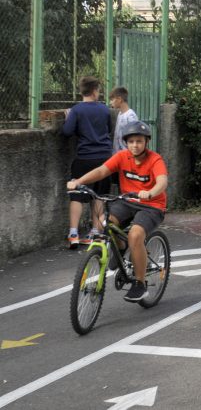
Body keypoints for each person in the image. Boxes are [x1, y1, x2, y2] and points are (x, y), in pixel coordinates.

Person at [66, 121, 168, 302]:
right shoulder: (122, 157)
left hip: (151, 205)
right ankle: (121, 252)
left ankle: (139, 283)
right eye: (131, 142)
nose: (135, 145)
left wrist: (151, 192)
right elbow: (101, 171)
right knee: (107, 223)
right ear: (126, 143)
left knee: (135, 235)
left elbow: (162, 181)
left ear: (146, 142)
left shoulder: (155, 159)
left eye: (139, 141)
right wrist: (78, 181)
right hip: (127, 201)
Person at [62, 76, 113, 249]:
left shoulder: (76, 110)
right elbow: (109, 130)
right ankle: (96, 232)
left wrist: (69, 118)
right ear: (94, 90)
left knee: (76, 193)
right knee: (99, 194)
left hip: (84, 157)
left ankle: (74, 233)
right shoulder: (105, 110)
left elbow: (67, 131)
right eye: (98, 90)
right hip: (104, 159)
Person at [109, 86, 138, 154]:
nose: (110, 102)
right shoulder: (120, 114)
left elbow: (134, 137)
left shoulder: (131, 116)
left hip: (127, 156)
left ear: (119, 99)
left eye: (112, 99)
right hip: (118, 155)